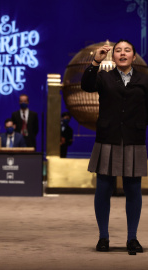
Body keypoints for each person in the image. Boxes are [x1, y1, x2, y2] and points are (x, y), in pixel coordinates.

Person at [81, 40, 148, 254]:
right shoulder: (104, 77)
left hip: (133, 138)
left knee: (133, 189)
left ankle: (132, 238)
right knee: (103, 189)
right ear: (113, 56)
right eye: (118, 50)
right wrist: (95, 61)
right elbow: (86, 85)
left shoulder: (144, 80)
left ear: (134, 57)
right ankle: (103, 237)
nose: (122, 53)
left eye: (127, 50)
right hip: (107, 137)